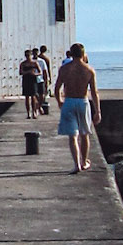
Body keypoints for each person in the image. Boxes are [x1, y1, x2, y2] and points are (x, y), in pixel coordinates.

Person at [54, 42, 101, 173]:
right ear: (83, 54)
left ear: (71, 53)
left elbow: (57, 88)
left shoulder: (64, 69)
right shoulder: (89, 70)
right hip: (82, 101)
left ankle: (76, 164)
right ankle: (84, 161)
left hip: (69, 101)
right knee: (84, 134)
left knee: (72, 136)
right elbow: (94, 92)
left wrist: (59, 101)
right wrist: (98, 111)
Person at [19, 48, 40, 117]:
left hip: (33, 80)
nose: (28, 57)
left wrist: (35, 74)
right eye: (26, 55)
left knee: (33, 96)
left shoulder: (35, 63)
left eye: (29, 55)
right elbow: (21, 72)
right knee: (27, 97)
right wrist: (28, 72)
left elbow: (40, 72)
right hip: (26, 80)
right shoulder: (23, 64)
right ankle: (28, 113)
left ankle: (34, 111)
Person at [36, 45, 52, 112]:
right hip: (43, 77)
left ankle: (38, 105)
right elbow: (47, 69)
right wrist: (49, 78)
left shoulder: (38, 58)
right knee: (44, 92)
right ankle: (40, 104)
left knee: (37, 93)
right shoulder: (46, 59)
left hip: (37, 77)